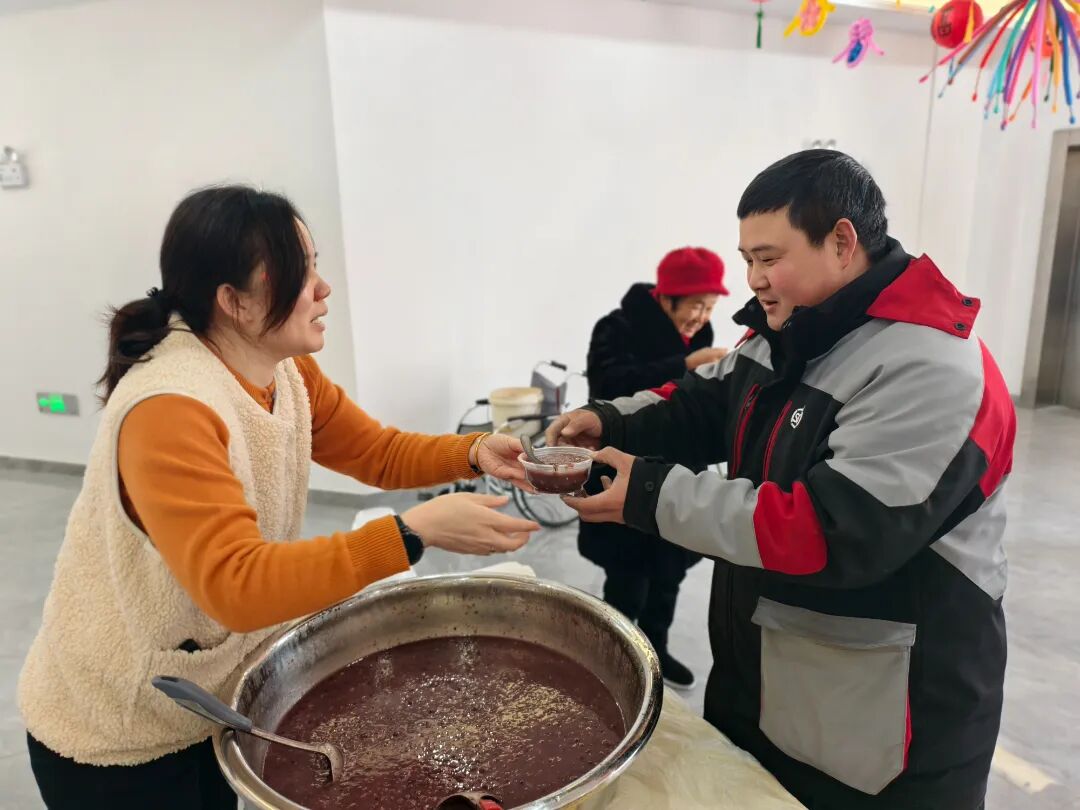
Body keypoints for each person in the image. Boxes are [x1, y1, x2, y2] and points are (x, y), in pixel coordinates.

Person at [18, 185, 540, 810]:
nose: (323, 289)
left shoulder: (283, 370)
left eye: (316, 264)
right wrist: (412, 534)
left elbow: (375, 451)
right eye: (301, 273)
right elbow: (237, 585)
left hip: (204, 700)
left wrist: (475, 452)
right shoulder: (171, 410)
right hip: (118, 733)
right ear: (234, 301)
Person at [550, 150, 1014, 810]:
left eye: (769, 258)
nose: (754, 279)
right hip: (768, 679)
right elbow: (702, 402)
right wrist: (607, 421)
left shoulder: (931, 365)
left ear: (842, 242)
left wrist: (649, 495)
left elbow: (833, 530)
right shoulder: (789, 330)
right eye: (747, 259)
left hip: (880, 724)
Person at [580, 247, 729, 689]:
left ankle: (657, 650)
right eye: (695, 306)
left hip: (678, 470)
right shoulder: (615, 328)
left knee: (669, 575)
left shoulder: (701, 333)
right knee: (627, 579)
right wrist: (682, 365)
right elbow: (608, 388)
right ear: (667, 297)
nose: (701, 318)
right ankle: (615, 660)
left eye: (709, 308)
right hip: (622, 469)